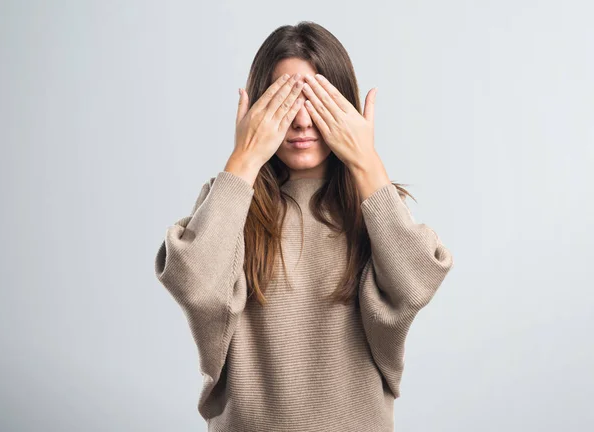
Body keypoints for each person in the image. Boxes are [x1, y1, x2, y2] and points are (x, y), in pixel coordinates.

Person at [154, 21, 454, 432]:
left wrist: (366, 161)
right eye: (285, 100)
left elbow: (417, 281)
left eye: (316, 99)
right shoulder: (230, 201)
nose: (300, 120)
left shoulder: (374, 206)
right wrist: (243, 159)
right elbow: (193, 281)